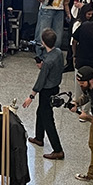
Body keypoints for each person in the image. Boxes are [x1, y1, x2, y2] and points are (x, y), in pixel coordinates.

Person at [23, 28, 65, 160]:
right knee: (40, 112)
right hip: (55, 87)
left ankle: (58, 150)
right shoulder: (58, 52)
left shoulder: (47, 62)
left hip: (47, 90)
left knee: (48, 119)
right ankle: (39, 138)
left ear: (43, 41)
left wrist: (31, 96)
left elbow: (41, 80)